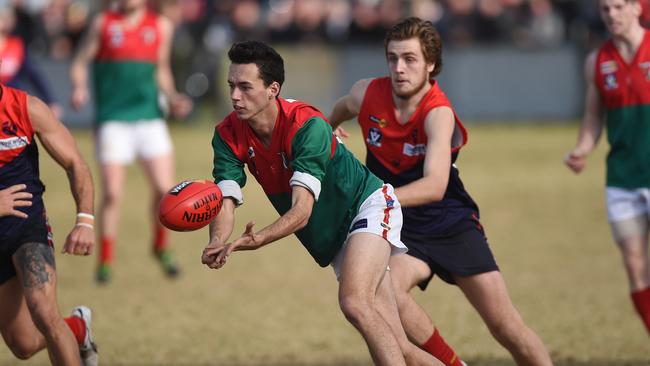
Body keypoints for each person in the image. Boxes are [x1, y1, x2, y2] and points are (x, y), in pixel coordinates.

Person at [202, 40, 445, 366]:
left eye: (246, 87)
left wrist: (258, 239)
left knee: (355, 303)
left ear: (273, 89)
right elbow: (226, 200)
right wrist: (218, 241)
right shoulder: (227, 134)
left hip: (367, 206)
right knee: (398, 346)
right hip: (334, 235)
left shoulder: (306, 125)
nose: (234, 96)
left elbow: (302, 212)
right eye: (231, 85)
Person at [329, 17, 553, 366]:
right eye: (392, 58)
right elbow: (340, 109)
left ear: (431, 64)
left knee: (506, 326)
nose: (399, 68)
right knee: (386, 292)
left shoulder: (438, 113)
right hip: (402, 226)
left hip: (450, 223)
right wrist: (331, 128)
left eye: (410, 59)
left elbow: (435, 187)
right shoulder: (366, 93)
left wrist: (375, 198)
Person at [70, 0, 193, 283]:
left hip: (149, 119)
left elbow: (161, 69)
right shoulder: (103, 23)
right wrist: (78, 87)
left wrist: (173, 97)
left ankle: (160, 246)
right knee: (112, 193)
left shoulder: (161, 25)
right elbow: (79, 61)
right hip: (113, 121)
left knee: (165, 190)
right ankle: (105, 260)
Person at [565, 0, 650, 336]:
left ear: (636, 8)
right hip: (622, 179)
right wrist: (583, 149)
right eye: (605, 9)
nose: (611, 15)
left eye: (617, 7)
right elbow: (593, 116)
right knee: (635, 267)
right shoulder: (597, 61)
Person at [0, 84, 98, 365]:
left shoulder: (26, 108)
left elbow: (74, 162)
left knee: (44, 313)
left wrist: (85, 221)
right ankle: (77, 327)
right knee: (23, 344)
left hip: (25, 228)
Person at [0, 5, 61, 118]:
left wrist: (50, 100)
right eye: (3, 18)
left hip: (12, 104)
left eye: (9, 18)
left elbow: (34, 75)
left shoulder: (16, 46)